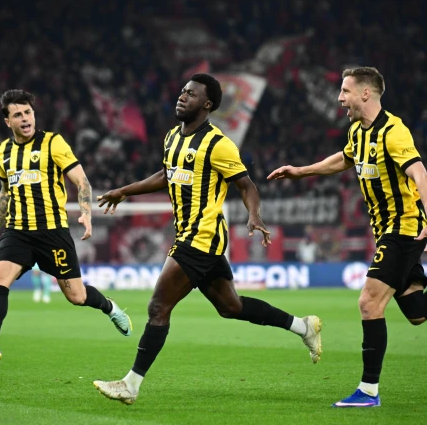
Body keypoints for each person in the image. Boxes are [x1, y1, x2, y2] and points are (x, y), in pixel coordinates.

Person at [92, 73, 322, 405]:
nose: (182, 96)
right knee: (231, 307)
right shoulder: (173, 136)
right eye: (182, 91)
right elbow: (167, 174)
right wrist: (125, 190)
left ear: (208, 104)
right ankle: (304, 327)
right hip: (194, 237)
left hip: (201, 237)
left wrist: (254, 214)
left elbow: (246, 185)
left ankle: (131, 385)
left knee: (158, 307)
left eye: (191, 94)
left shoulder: (218, 144)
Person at [268, 67, 427, 408]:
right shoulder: (357, 131)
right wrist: (301, 171)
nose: (340, 98)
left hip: (403, 228)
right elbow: (344, 159)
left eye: (345, 91)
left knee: (369, 303)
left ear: (365, 93)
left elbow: (419, 172)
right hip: (387, 230)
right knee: (416, 311)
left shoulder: (394, 132)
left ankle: (368, 392)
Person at [0, 89, 132, 365]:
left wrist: (86, 214)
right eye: (17, 115)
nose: (25, 118)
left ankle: (109, 306)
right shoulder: (2, 152)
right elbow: (6, 192)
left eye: (28, 112)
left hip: (52, 232)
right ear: (8, 121)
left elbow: (82, 181)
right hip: (17, 231)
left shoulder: (53, 143)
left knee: (76, 296)